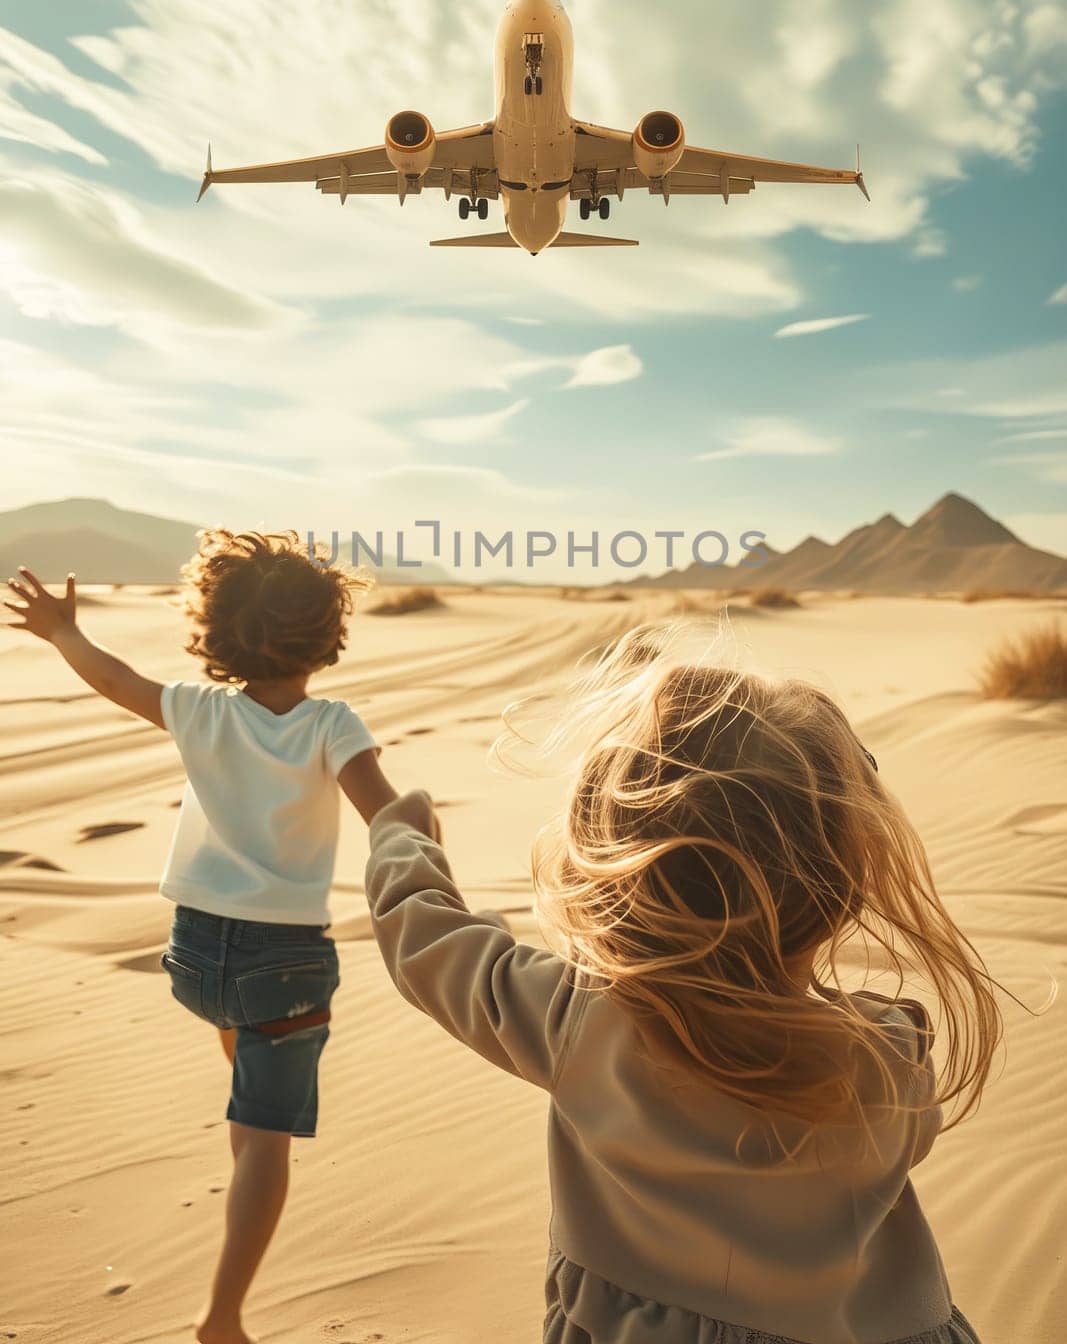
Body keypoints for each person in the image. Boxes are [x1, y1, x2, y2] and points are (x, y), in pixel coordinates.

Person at [362, 622, 1003, 1344]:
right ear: (841, 890)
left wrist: (399, 831)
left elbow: (426, 944)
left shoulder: (576, 1022)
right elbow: (906, 1142)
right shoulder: (890, 1055)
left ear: (615, 869)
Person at [5, 534, 398, 1344]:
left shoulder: (198, 710)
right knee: (264, 1144)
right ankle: (221, 1317)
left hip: (190, 957)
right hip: (282, 961)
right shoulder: (332, 723)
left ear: (215, 633)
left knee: (243, 1053)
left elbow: (114, 678)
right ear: (328, 635)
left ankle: (246, 1106)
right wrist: (420, 831)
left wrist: (62, 632)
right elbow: (385, 816)